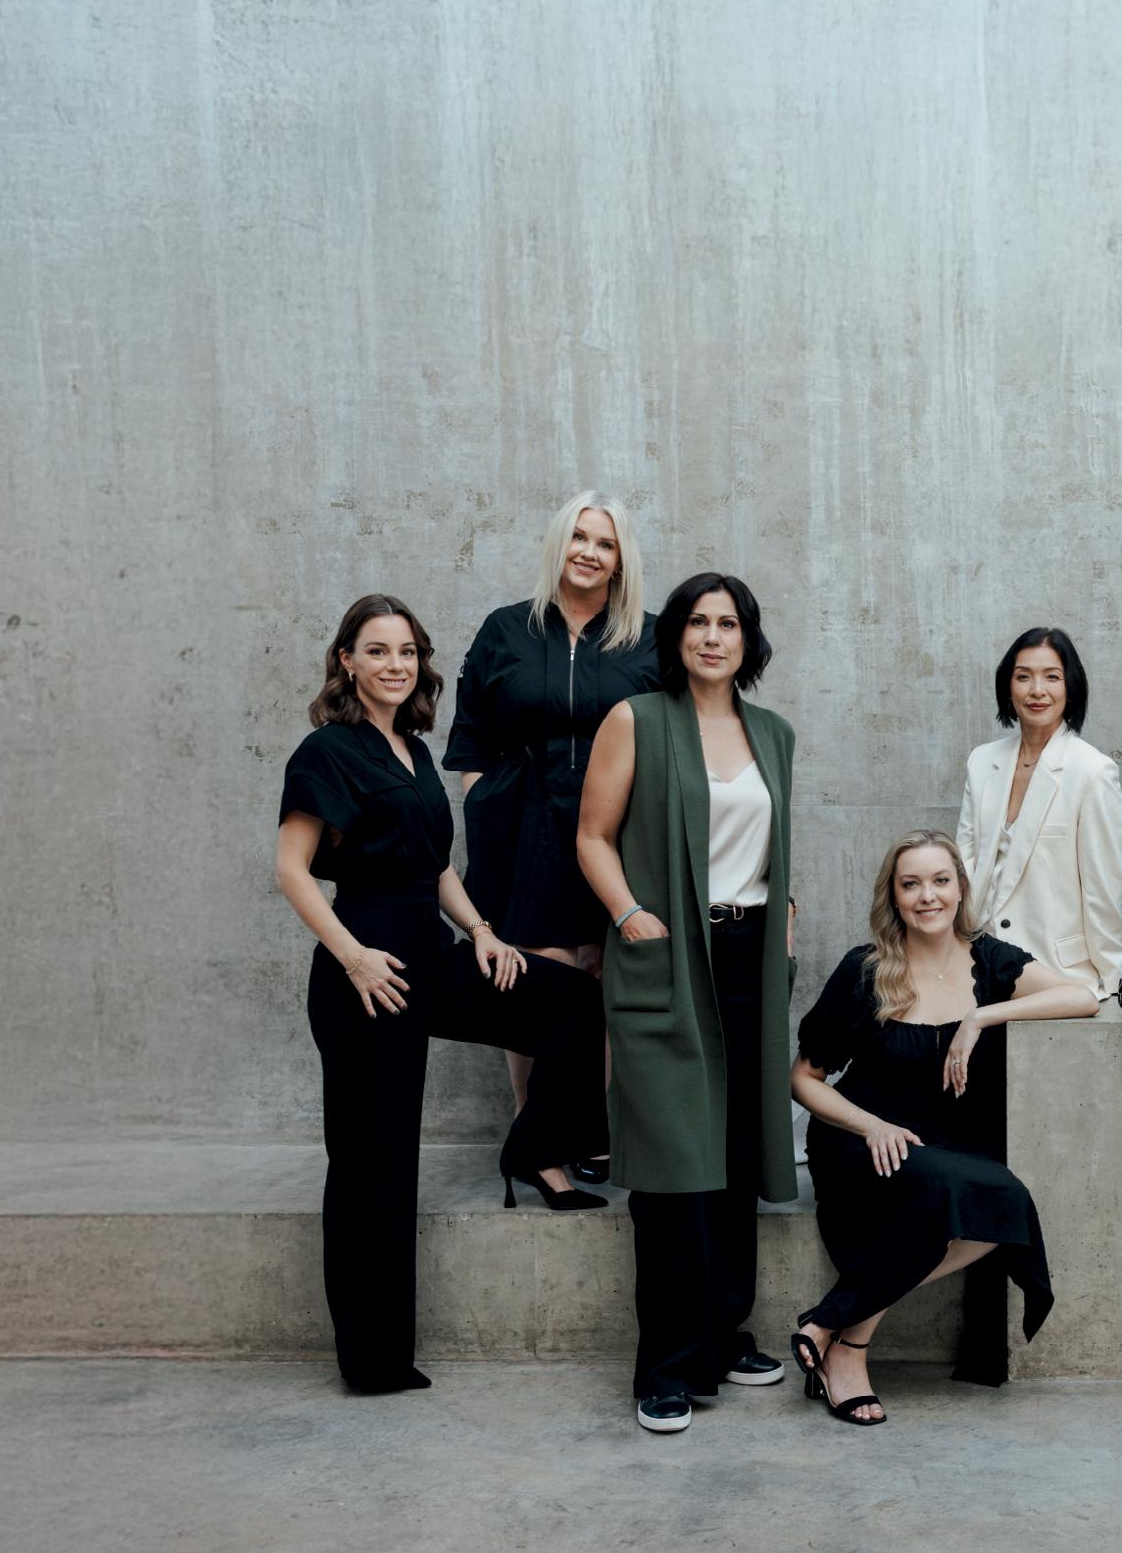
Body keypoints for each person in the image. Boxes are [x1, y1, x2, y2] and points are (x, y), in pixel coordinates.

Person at [275, 595, 608, 1395]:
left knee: (571, 1001)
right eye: (377, 650)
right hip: (366, 968)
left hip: (429, 949)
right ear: (346, 660)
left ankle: (531, 1147)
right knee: (374, 1167)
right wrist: (353, 958)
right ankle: (374, 1360)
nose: (395, 664)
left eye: (407, 651)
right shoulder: (326, 751)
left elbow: (434, 865)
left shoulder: (414, 750)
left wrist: (483, 931)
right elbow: (291, 868)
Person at [577, 572, 799, 1433]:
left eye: (728, 623)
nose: (713, 636)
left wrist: (783, 920)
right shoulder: (636, 719)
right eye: (698, 622)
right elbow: (593, 835)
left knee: (735, 1153)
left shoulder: (773, 733)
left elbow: (770, 847)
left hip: (750, 956)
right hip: (667, 951)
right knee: (675, 1167)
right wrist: (629, 915)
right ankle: (667, 1367)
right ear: (674, 635)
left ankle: (725, 1332)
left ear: (748, 638)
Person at [790, 831, 1098, 1425]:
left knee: (1000, 1203)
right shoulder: (866, 969)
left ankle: (833, 1324)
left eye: (939, 881)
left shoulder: (992, 961)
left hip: (946, 1146)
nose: (927, 896)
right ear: (894, 896)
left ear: (960, 889)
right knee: (955, 1194)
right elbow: (804, 1079)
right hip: (859, 1140)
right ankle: (849, 1354)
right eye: (911, 884)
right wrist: (871, 1126)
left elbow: (1081, 996)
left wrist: (982, 1016)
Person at [446, 491, 656, 1180]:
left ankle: (588, 1126)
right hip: (521, 831)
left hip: (615, 829)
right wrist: (485, 803)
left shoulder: (647, 637)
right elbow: (470, 733)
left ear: (621, 559)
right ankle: (534, 1129)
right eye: (579, 537)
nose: (589, 552)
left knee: (604, 976)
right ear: (558, 544)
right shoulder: (507, 628)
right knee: (537, 975)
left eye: (605, 543)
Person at [955, 626, 1122, 997]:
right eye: (1024, 677)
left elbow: (1105, 888)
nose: (1037, 690)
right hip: (976, 959)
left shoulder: (1092, 771)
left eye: (1052, 677)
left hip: (1055, 970)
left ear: (1071, 686)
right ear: (1008, 686)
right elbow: (964, 864)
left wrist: (1116, 984)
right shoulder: (982, 761)